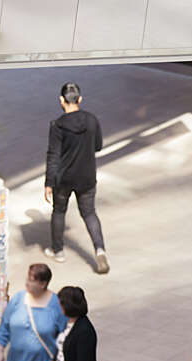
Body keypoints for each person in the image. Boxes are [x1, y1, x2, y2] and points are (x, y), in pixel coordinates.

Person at [43, 82, 110, 274]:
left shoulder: (57, 125)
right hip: (87, 177)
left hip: (64, 179)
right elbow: (98, 146)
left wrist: (49, 183)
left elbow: (53, 155)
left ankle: (58, 251)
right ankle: (100, 250)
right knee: (89, 213)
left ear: (61, 100)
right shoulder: (92, 120)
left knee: (59, 211)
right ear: (79, 99)